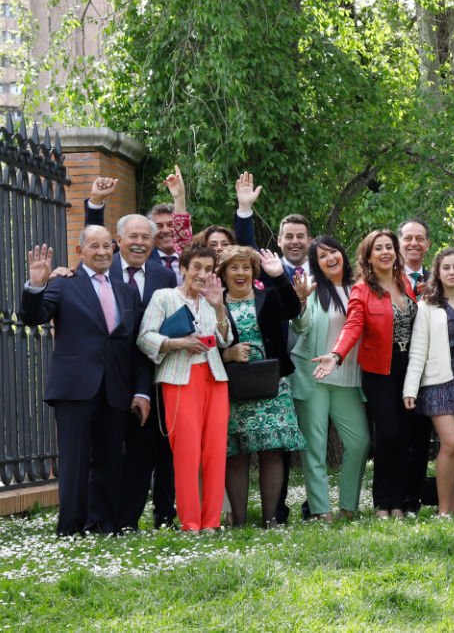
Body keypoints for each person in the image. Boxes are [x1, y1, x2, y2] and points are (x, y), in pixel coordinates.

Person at [20, 231, 151, 536]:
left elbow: (135, 346)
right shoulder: (63, 283)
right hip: (75, 387)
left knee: (109, 459)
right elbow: (33, 316)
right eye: (94, 245)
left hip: (116, 388)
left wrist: (140, 389)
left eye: (107, 245)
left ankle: (102, 525)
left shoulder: (126, 292)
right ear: (80, 249)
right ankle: (72, 527)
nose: (103, 251)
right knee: (75, 462)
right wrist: (37, 285)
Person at [81, 177, 179, 531]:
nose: (139, 243)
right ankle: (99, 520)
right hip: (105, 378)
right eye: (132, 237)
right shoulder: (102, 271)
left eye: (145, 237)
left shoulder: (163, 277)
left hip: (148, 378)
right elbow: (87, 244)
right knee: (104, 454)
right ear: (117, 241)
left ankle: (127, 521)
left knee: (143, 453)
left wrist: (143, 387)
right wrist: (94, 204)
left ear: (153, 243)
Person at [313, 229, 419, 518]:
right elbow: (353, 325)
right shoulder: (362, 289)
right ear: (369, 257)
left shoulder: (405, 283)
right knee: (387, 434)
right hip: (379, 370)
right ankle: (383, 503)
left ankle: (399, 502)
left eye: (389, 247)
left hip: (408, 367)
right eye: (378, 248)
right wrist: (336, 355)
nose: (385, 252)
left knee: (404, 435)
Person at [136, 244, 231, 532]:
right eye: (197, 268)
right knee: (187, 452)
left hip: (215, 378)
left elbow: (224, 340)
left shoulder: (212, 300)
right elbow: (145, 337)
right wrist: (178, 343)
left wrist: (218, 307)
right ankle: (191, 522)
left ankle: (212, 521)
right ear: (183, 269)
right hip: (180, 379)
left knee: (215, 451)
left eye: (208, 269)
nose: (202, 274)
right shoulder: (164, 297)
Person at [218, 246, 306, 528]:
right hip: (233, 389)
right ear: (223, 273)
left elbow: (293, 308)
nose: (241, 273)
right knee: (236, 455)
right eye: (234, 267)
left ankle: (271, 521)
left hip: (272, 386)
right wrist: (227, 354)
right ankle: (240, 523)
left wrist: (279, 276)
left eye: (246, 267)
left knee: (272, 452)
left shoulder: (267, 297)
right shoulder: (214, 302)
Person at [289, 235, 369, 520]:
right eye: (322, 256)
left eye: (333, 252)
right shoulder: (311, 290)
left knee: (359, 441)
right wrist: (300, 302)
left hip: (349, 379)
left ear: (342, 254)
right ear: (317, 264)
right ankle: (321, 511)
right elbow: (301, 327)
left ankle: (348, 507)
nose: (330, 258)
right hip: (314, 377)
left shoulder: (361, 288)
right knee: (315, 446)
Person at [404, 248, 454, 515]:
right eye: (445, 267)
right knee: (452, 443)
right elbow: (418, 350)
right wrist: (410, 388)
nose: (451, 272)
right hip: (439, 381)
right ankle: (443, 510)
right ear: (438, 272)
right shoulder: (427, 307)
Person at [400, 220, 431, 292]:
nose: (414, 243)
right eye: (408, 238)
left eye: (420, 239)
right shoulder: (387, 279)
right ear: (398, 243)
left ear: (428, 244)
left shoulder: (437, 283)